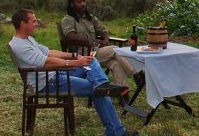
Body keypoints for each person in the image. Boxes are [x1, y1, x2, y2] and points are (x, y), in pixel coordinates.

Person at [9, 9, 137, 136]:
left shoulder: (28, 39)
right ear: (22, 24)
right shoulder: (21, 46)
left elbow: (49, 52)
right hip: (48, 83)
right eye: (33, 21)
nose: (36, 23)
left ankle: (101, 84)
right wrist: (76, 63)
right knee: (97, 90)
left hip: (55, 75)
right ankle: (116, 131)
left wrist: (75, 56)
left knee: (90, 61)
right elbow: (47, 62)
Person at [60, 0, 135, 87]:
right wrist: (90, 41)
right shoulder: (68, 19)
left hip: (96, 51)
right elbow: (70, 36)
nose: (83, 4)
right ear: (72, 4)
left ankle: (122, 92)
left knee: (115, 64)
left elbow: (103, 30)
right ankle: (134, 74)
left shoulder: (89, 18)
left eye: (84, 1)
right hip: (82, 55)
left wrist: (105, 40)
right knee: (114, 49)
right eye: (79, 2)